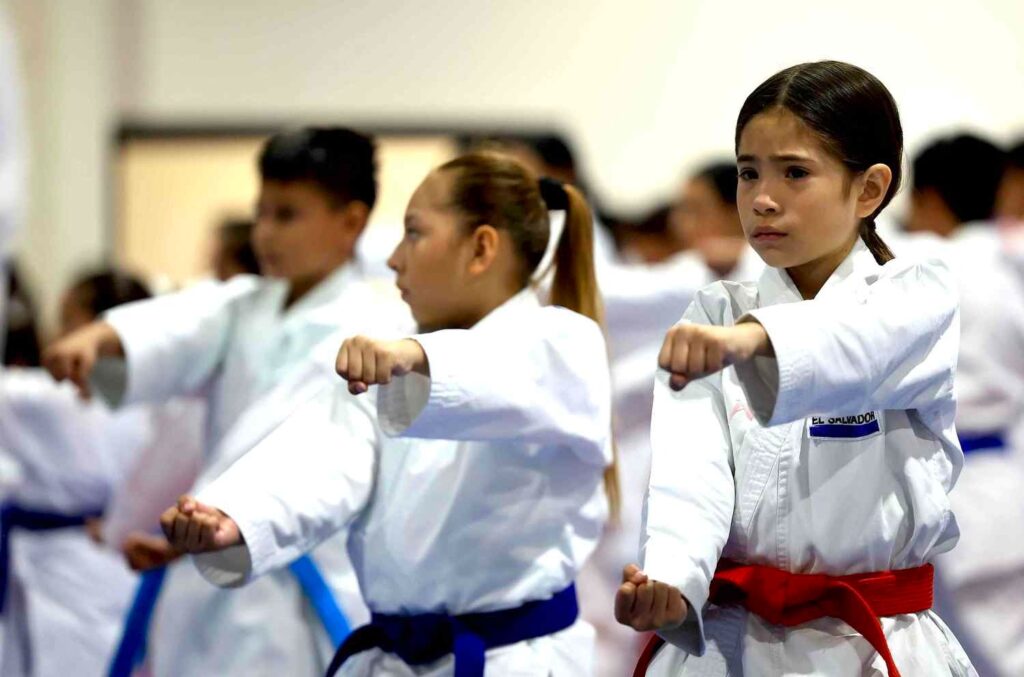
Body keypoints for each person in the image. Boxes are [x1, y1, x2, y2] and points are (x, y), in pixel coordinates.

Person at [159, 152, 616, 676]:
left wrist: (415, 357)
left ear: (481, 248)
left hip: (513, 660)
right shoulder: (402, 357)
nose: (395, 259)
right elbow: (326, 454)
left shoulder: (563, 343)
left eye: (414, 233)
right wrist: (237, 516)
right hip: (394, 660)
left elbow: (502, 371)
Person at [616, 61, 974, 676]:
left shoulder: (917, 294)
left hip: (867, 642)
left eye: (795, 173)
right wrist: (671, 580)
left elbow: (854, 343)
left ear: (869, 189)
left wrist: (752, 341)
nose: (762, 198)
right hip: (729, 643)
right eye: (748, 172)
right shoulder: (716, 314)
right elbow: (690, 474)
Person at [45, 127, 396, 676]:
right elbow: (175, 327)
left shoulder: (380, 333)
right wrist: (102, 338)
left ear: (350, 221)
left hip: (304, 583)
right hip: (208, 570)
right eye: (261, 213)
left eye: (287, 215)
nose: (265, 233)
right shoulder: (244, 307)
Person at [0, 270, 152, 677]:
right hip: (119, 563)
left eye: (68, 321)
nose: (55, 336)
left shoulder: (53, 400)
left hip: (67, 566)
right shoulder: (159, 396)